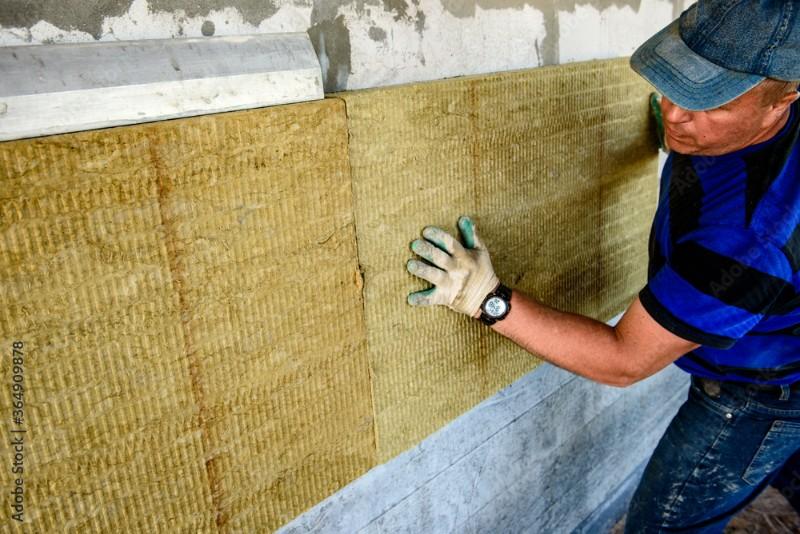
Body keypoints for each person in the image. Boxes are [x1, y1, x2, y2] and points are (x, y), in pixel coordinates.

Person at [405, 1, 800, 532]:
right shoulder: (750, 112)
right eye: (674, 86)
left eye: (711, 103)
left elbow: (624, 360)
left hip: (758, 394)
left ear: (783, 102)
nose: (676, 113)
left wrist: (485, 298)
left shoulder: (746, 243)